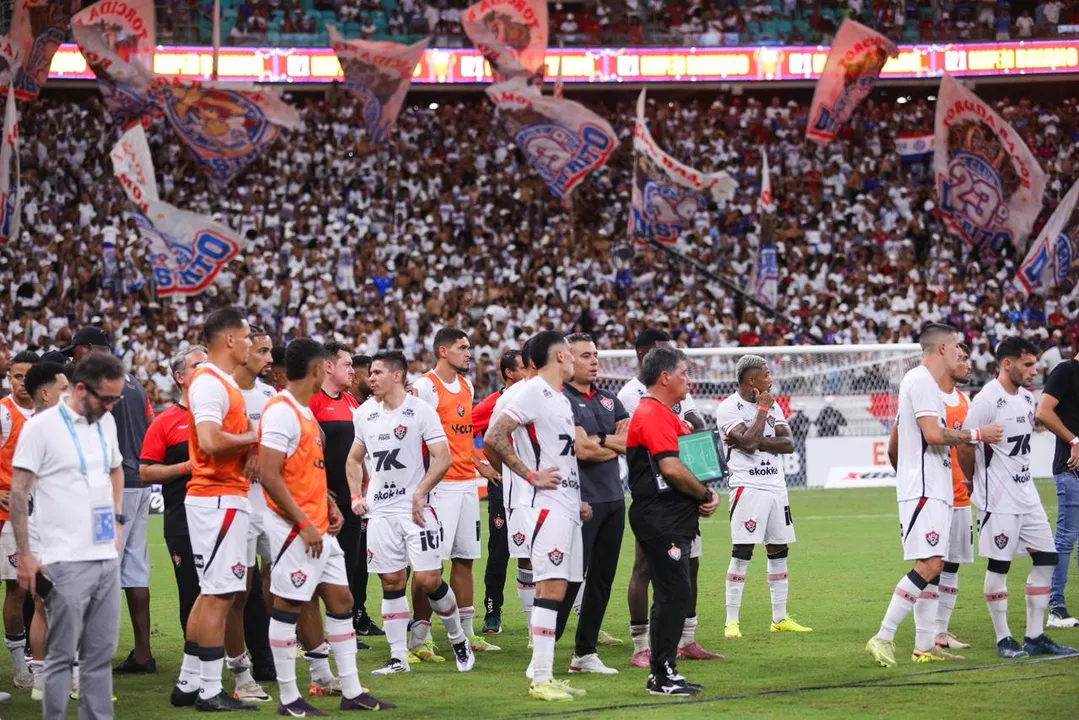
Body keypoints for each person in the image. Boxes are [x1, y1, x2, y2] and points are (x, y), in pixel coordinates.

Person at [259, 338, 394, 714]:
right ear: (318, 369)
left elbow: (304, 471)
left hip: (320, 522)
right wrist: (302, 522)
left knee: (341, 599)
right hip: (294, 528)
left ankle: (351, 691)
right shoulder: (281, 411)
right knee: (287, 606)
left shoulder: (302, 411)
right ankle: (289, 698)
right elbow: (270, 475)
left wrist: (330, 504)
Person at [866, 323, 1003, 667]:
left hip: (936, 488)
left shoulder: (929, 385)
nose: (961, 351)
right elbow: (932, 434)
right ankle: (883, 635)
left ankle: (924, 644)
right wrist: (977, 434)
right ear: (942, 348)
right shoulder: (920, 380)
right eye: (957, 345)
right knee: (928, 564)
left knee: (936, 565)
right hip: (924, 490)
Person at [10, 353, 127, 720]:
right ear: (79, 389)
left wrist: (118, 518)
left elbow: (116, 469)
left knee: (100, 653)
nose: (110, 406)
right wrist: (26, 555)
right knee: (61, 657)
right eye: (105, 398)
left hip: (105, 554)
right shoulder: (41, 428)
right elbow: (18, 492)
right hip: (64, 557)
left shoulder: (104, 421)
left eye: (114, 399)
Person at [345, 350, 476, 675]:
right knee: (391, 581)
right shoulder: (363, 414)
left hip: (416, 510)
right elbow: (353, 459)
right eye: (369, 373)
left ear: (397, 375)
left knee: (429, 578)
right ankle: (398, 657)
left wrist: (420, 491)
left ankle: (458, 639)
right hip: (381, 513)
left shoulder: (420, 411)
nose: (369, 378)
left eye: (376, 373)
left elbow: (442, 457)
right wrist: (355, 496)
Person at [485, 331, 590, 702]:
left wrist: (576, 496)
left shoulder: (559, 399)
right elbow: (494, 436)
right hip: (542, 504)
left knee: (556, 587)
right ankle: (540, 677)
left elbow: (560, 454)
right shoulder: (531, 391)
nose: (577, 358)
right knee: (551, 587)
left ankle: (544, 674)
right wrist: (529, 475)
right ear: (561, 356)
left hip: (564, 503)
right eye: (572, 353)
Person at [958, 337, 1076, 657]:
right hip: (998, 498)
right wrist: (972, 481)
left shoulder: (1026, 398)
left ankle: (1035, 637)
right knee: (999, 566)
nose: (1033, 370)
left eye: (1034, 363)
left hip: (1027, 494)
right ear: (1006, 364)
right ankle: (1003, 638)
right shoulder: (986, 400)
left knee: (1047, 559)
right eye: (1027, 364)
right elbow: (965, 444)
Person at [171, 307, 260, 711]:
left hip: (220, 495)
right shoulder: (210, 382)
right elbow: (208, 440)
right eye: (246, 337)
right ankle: (209, 690)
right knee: (220, 594)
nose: (250, 344)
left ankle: (189, 682)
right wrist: (256, 434)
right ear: (229, 340)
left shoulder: (218, 381)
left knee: (212, 594)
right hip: (218, 496)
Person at [616, 329, 718, 666]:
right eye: (683, 372)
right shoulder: (642, 404)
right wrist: (703, 492)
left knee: (681, 580)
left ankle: (678, 648)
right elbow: (670, 466)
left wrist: (702, 491)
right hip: (658, 510)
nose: (688, 379)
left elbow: (691, 436)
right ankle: (649, 654)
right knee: (657, 581)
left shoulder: (666, 406)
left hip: (677, 508)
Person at [65, 327, 157, 675]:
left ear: (88, 349)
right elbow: (149, 426)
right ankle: (143, 654)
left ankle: (93, 655)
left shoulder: (99, 384)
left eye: (75, 352)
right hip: (139, 483)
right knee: (136, 569)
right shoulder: (132, 383)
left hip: (109, 487)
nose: (72, 359)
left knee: (101, 568)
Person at [410, 328, 500, 658]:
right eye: (462, 347)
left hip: (465, 485)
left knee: (464, 558)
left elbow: (463, 437)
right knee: (429, 562)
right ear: (443, 351)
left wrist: (477, 463)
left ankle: (468, 632)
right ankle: (419, 635)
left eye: (469, 347)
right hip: (440, 486)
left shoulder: (466, 385)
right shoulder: (425, 387)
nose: (468, 352)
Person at [888, 343, 975, 650]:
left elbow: (966, 451)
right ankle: (890, 636)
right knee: (931, 565)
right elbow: (897, 445)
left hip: (958, 496)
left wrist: (970, 481)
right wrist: (911, 479)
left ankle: (937, 635)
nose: (966, 362)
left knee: (949, 566)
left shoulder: (964, 401)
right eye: (961, 356)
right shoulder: (923, 391)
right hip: (928, 493)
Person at [717, 354, 811, 639]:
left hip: (776, 486)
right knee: (743, 552)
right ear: (751, 380)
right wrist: (760, 413)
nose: (770, 379)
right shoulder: (728, 408)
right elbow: (744, 443)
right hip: (748, 485)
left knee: (779, 550)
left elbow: (788, 443)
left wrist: (755, 440)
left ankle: (779, 618)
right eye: (766, 374)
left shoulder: (773, 404)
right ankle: (731, 621)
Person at [562, 334, 626, 675]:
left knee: (602, 579)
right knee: (570, 578)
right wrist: (607, 444)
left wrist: (599, 440)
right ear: (568, 360)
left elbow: (630, 441)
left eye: (595, 355)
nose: (594, 361)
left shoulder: (610, 400)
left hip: (614, 499)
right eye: (585, 355)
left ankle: (584, 652)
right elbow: (580, 450)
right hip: (580, 501)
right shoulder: (562, 400)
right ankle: (547, 636)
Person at [310, 343, 381, 641]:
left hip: (351, 498)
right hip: (321, 498)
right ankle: (310, 633)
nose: (353, 371)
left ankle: (344, 628)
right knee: (316, 568)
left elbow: (359, 451)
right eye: (347, 365)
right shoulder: (313, 402)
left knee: (350, 564)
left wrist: (363, 483)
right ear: (329, 367)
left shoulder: (353, 403)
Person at [139, 346, 207, 640]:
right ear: (180, 377)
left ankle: (237, 664)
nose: (207, 370)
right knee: (191, 594)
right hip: (182, 522)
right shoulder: (165, 421)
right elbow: (146, 472)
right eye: (198, 366)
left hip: (223, 517)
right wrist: (186, 467)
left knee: (232, 595)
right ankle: (197, 663)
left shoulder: (225, 415)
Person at [229, 327, 278, 702]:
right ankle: (239, 665)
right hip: (239, 500)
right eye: (262, 350)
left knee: (282, 581)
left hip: (271, 501)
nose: (270, 358)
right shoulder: (225, 392)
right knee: (239, 591)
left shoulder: (270, 395)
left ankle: (275, 649)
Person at [19, 360, 69, 701]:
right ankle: (43, 677)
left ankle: (57, 676)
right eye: (64, 389)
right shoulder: (38, 430)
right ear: (46, 393)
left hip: (64, 528)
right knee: (46, 603)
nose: (70, 394)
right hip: (46, 529)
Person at [486, 342, 540, 641]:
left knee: (561, 554)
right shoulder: (511, 396)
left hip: (553, 490)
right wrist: (512, 473)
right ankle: (533, 630)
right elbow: (491, 438)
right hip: (520, 492)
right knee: (520, 556)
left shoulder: (554, 393)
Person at [473, 349, 525, 635]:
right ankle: (493, 610)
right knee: (500, 550)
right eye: (521, 368)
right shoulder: (492, 403)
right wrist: (481, 464)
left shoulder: (535, 400)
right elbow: (457, 432)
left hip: (532, 487)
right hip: (503, 487)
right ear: (509, 373)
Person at [0, 350, 38, 690]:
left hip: (39, 516)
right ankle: (19, 667)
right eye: (16, 376)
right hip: (6, 518)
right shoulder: (3, 413)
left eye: (28, 375)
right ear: (8, 378)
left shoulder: (49, 413)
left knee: (32, 589)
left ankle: (33, 663)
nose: (21, 382)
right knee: (15, 587)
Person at [1036, 348, 1079, 627]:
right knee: (1066, 537)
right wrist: (1074, 441)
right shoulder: (1065, 371)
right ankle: (1056, 608)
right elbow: (1043, 411)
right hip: (1070, 468)